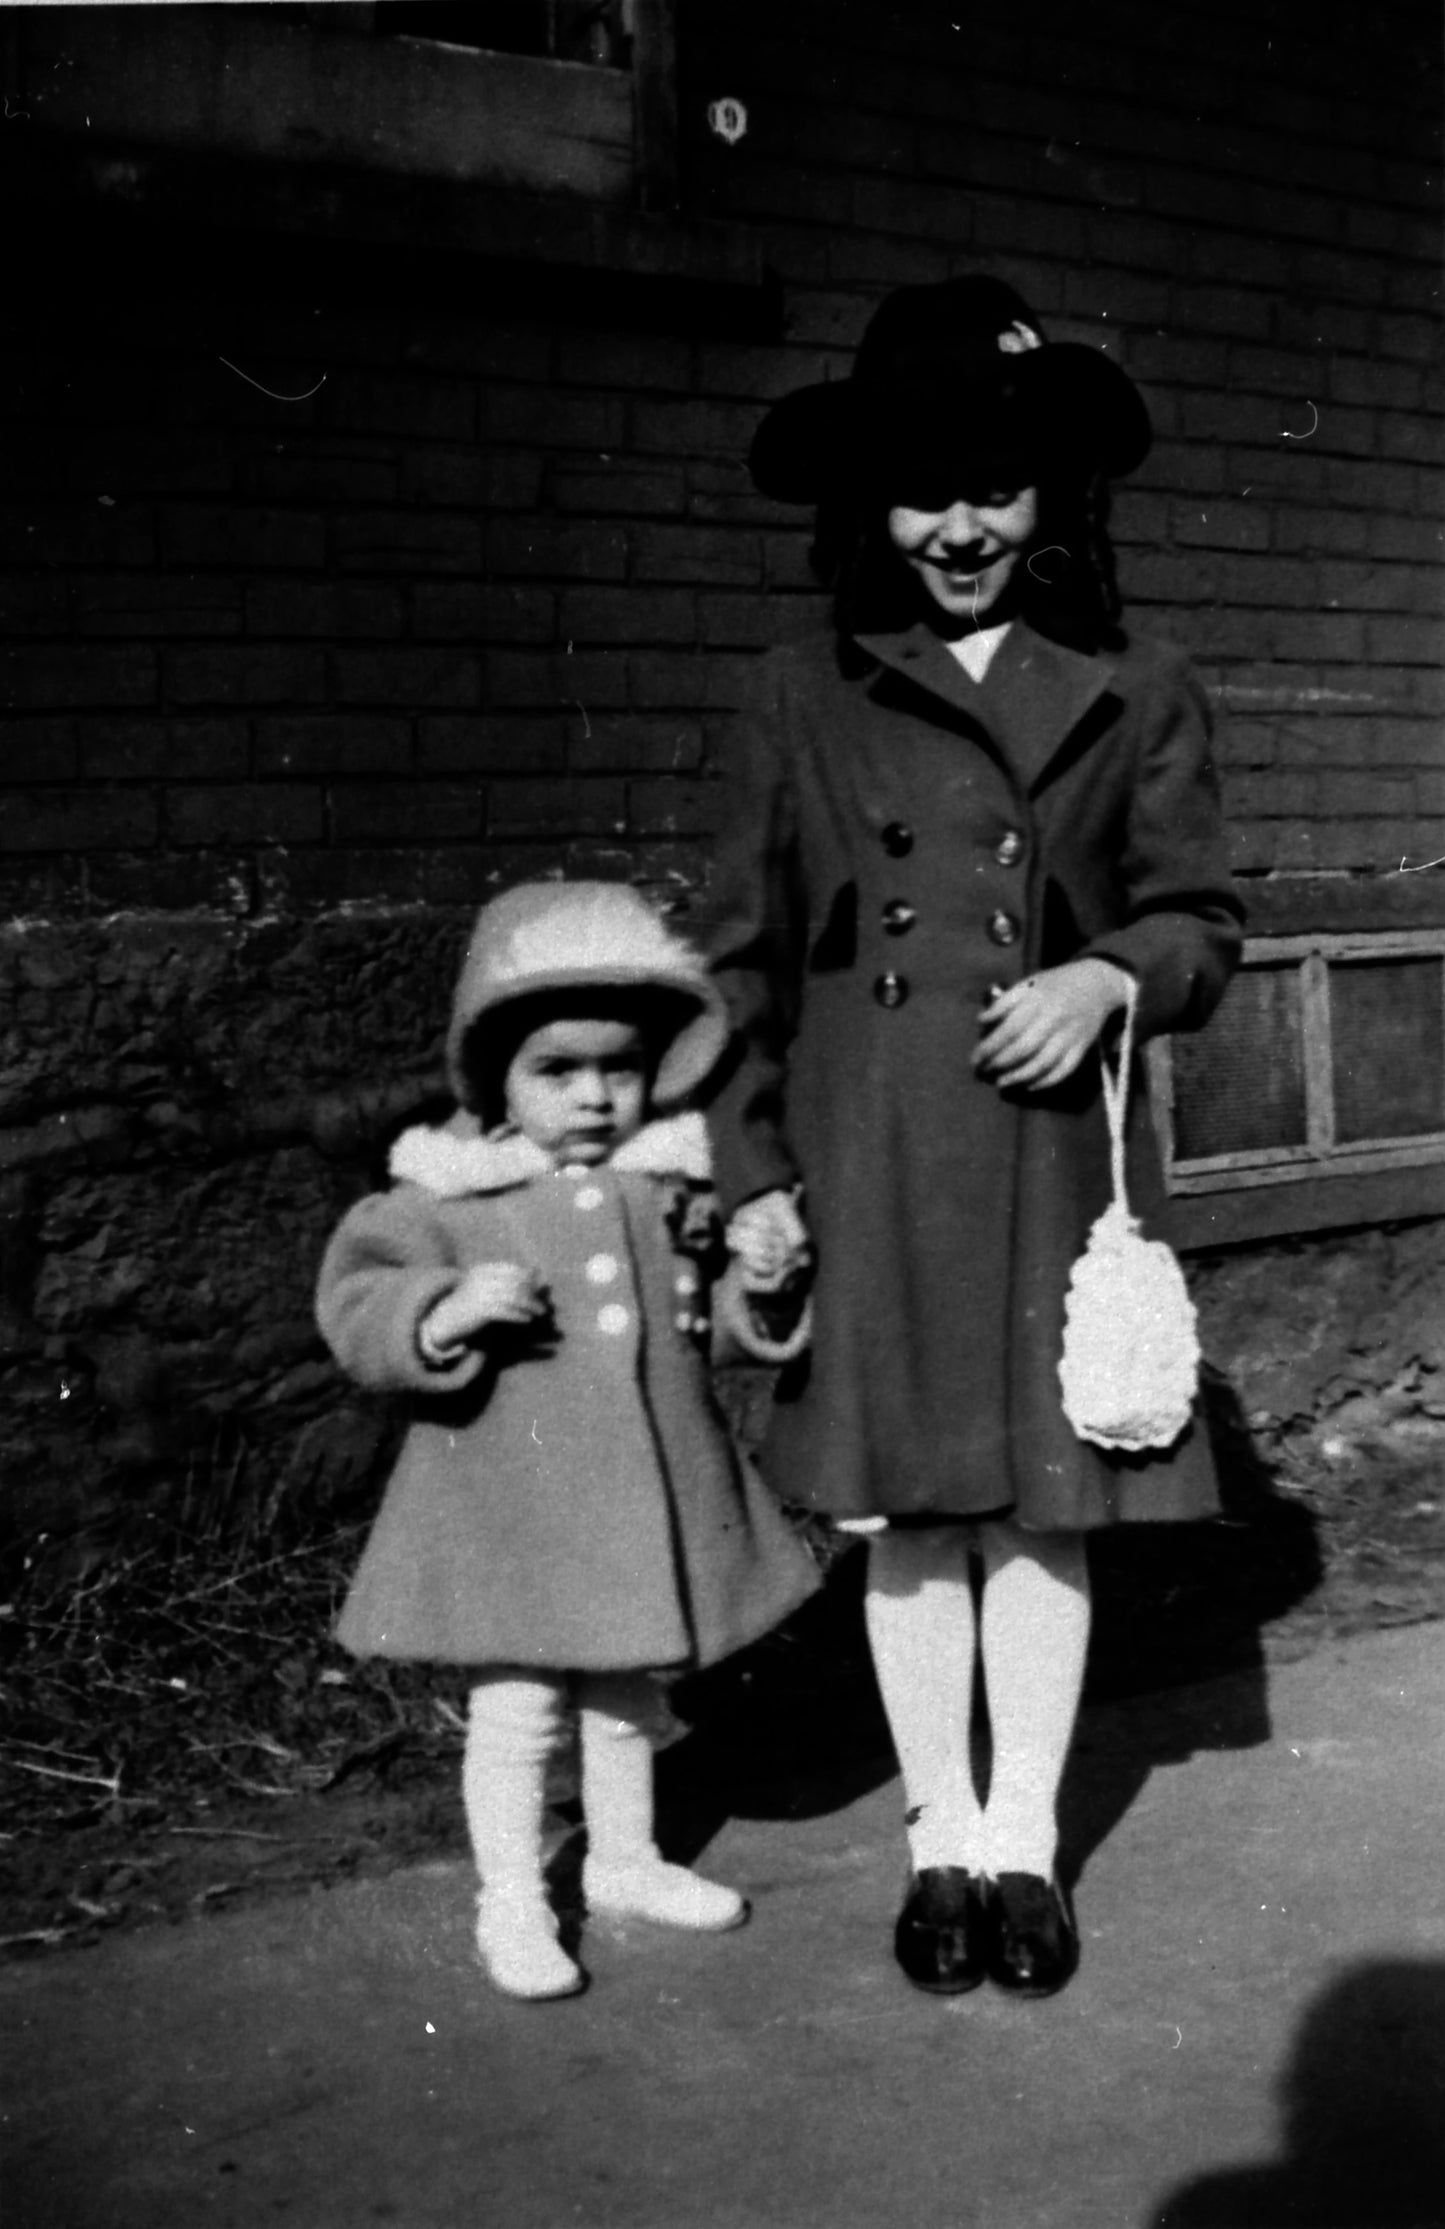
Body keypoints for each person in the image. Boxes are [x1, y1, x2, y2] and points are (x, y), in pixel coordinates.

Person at [705, 276, 1244, 1999]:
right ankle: (938, 1833)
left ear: (1054, 497)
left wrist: (1105, 975)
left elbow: (1201, 919)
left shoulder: (1136, 682)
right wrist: (748, 1175)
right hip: (868, 1147)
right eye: (925, 491)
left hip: (1046, 1160)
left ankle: (1026, 1842)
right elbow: (735, 953)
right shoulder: (802, 691)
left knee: (1040, 1510)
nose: (960, 527)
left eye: (997, 490)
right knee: (910, 1517)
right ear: (870, 502)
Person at [316, 880, 819, 2001]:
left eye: (619, 1067)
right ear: (491, 1070)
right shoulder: (442, 1196)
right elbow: (357, 1305)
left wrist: (760, 1284)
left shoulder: (660, 1185)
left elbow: (710, 1323)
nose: (594, 1096)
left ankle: (627, 1862)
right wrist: (440, 1309)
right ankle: (512, 1901)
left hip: (639, 1508)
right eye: (556, 1069)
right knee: (516, 1712)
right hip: (509, 1507)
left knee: (626, 1698)